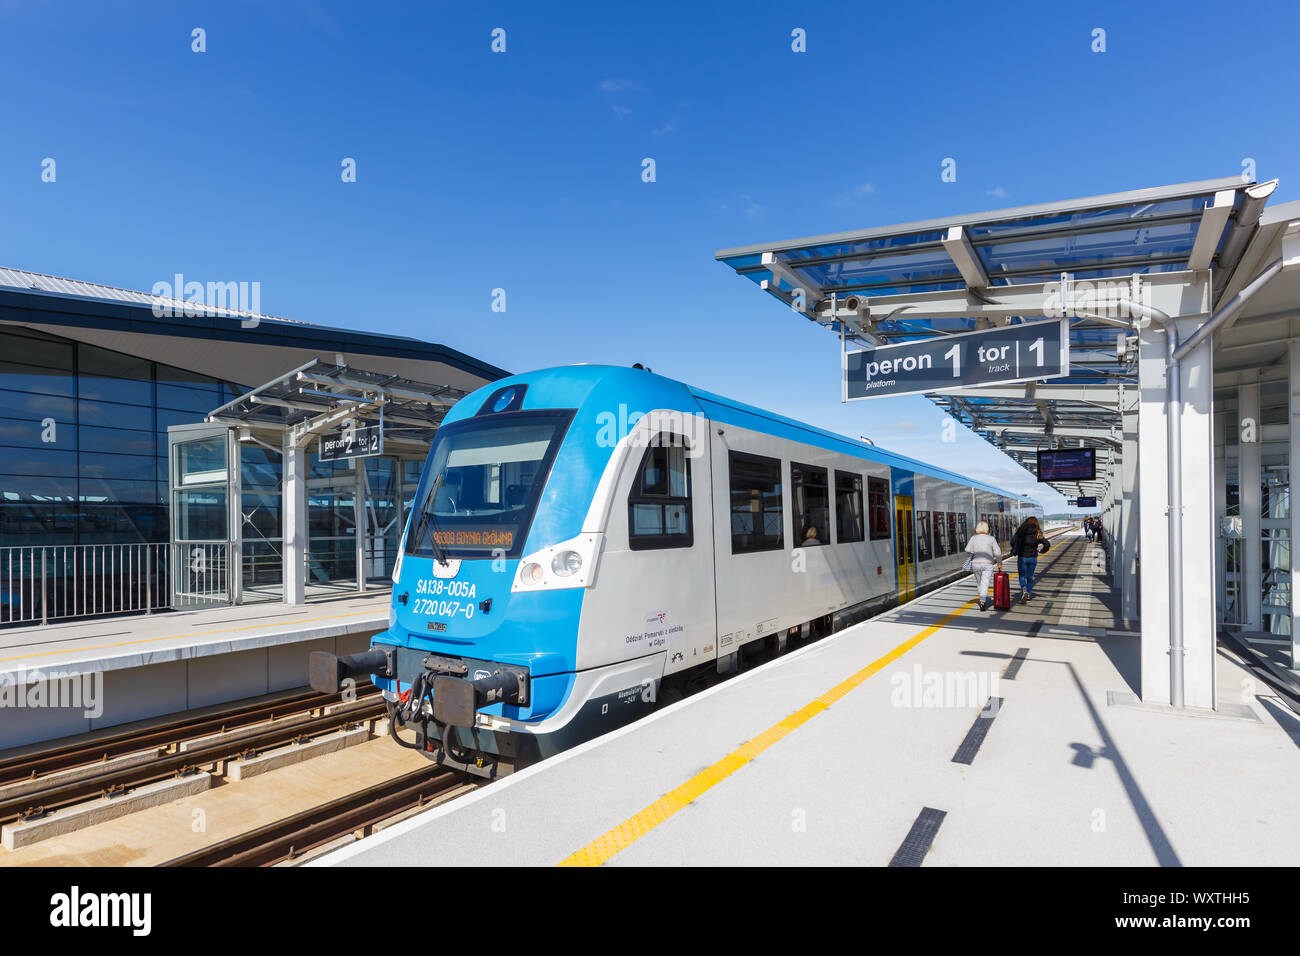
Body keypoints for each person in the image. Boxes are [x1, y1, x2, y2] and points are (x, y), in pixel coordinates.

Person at [1010, 515, 1051, 603]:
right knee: (1030, 577)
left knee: (1022, 576)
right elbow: (1047, 544)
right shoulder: (1037, 532)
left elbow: (1013, 541)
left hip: (1022, 557)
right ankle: (1028, 594)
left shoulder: (1020, 531)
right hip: (1033, 558)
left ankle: (1024, 590)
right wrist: (1041, 551)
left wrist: (1015, 549)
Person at [964, 520, 1003, 612]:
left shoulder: (974, 538)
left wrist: (973, 551)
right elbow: (998, 552)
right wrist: (999, 563)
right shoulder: (991, 539)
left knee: (979, 583)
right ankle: (982, 601)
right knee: (985, 583)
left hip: (975, 564)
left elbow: (967, 549)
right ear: (987, 529)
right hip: (988, 564)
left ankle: (981, 596)